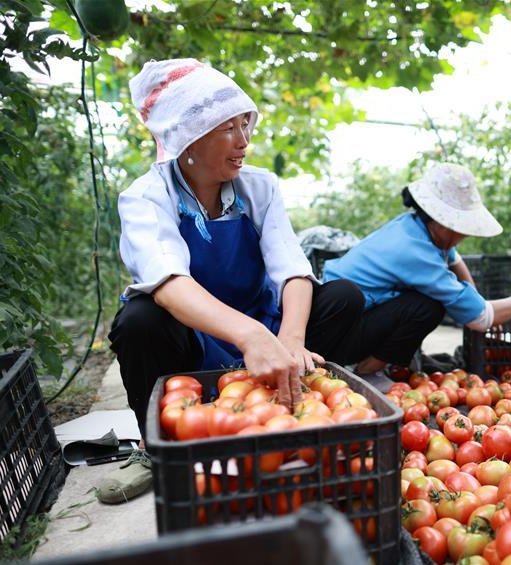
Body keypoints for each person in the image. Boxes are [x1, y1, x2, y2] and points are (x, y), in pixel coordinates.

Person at [108, 58, 366, 446]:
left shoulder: (260, 188)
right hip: (195, 336)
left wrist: (291, 340)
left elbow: (293, 270)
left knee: (344, 297)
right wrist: (250, 336)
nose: (243, 139)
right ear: (188, 137)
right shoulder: (145, 198)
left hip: (264, 324)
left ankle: (293, 399)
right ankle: (156, 441)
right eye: (228, 128)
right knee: (138, 321)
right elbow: (169, 284)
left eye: (245, 123)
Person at [322, 163, 511, 375]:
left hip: (342, 318)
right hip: (336, 335)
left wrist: (475, 297)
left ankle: (370, 366)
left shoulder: (413, 227)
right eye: (461, 227)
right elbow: (481, 319)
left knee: (426, 301)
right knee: (428, 307)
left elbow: (455, 260)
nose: (465, 235)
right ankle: (364, 371)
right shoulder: (416, 253)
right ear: (442, 223)